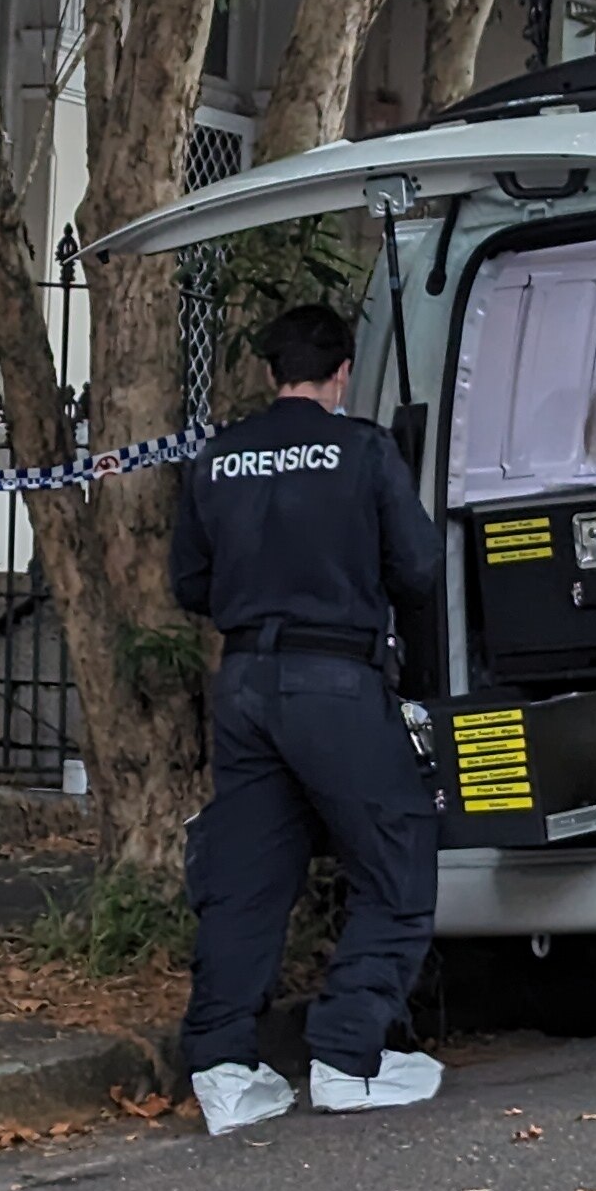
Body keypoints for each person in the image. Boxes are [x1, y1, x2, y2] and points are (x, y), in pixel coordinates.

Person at [169, 301, 449, 1131]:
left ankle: (223, 1070)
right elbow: (422, 568)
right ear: (341, 376)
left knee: (247, 877)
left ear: (267, 373)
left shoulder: (218, 458)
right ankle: (349, 1053)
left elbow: (189, 584)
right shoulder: (362, 448)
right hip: (336, 679)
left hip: (246, 681)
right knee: (396, 855)